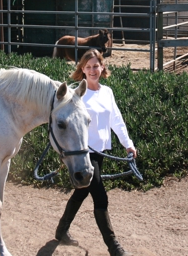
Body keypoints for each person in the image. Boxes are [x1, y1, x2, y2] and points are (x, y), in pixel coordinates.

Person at [54, 49, 137, 256]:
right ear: (82, 69)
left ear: (102, 67)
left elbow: (116, 120)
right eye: (88, 66)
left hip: (100, 152)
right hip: (82, 154)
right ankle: (113, 246)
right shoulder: (76, 94)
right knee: (100, 197)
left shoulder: (107, 92)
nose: (92, 70)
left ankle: (61, 230)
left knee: (82, 192)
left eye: (95, 66)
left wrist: (128, 144)